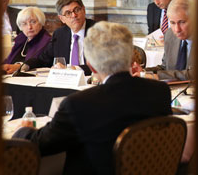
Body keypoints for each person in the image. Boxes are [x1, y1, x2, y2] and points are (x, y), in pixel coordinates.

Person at [13, 22, 172, 174]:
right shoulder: (160, 92)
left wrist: (23, 130)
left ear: (91, 66)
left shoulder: (78, 104)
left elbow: (41, 145)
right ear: (131, 58)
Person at [23, 0, 95, 75]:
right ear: (62, 19)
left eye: (77, 10)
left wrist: (73, 69)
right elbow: (42, 60)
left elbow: (104, 64)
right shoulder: (60, 34)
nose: (74, 15)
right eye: (68, 13)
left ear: (84, 10)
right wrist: (24, 66)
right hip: (65, 82)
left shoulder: (99, 31)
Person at [137, 0, 193, 81]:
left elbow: (193, 74)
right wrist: (144, 72)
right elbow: (165, 68)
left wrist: (158, 76)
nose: (177, 29)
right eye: (172, 23)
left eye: (182, 22)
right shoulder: (170, 35)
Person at [1, 7, 51, 73]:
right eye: (24, 24)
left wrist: (18, 66)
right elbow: (9, 60)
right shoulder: (21, 39)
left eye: (33, 22)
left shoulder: (48, 41)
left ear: (41, 22)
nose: (29, 27)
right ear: (20, 27)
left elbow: (39, 62)